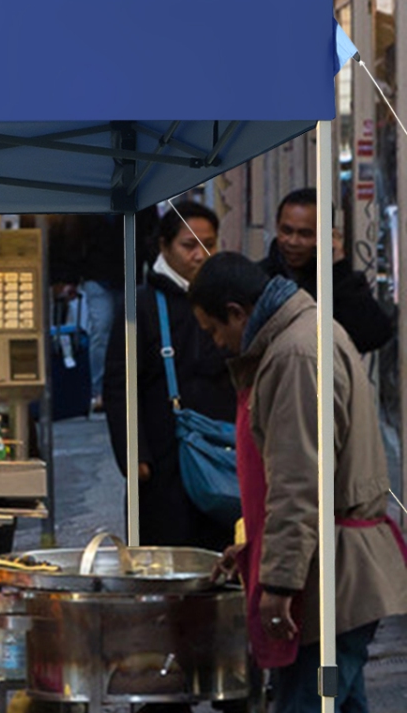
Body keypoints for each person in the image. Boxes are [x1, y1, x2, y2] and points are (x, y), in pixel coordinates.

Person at [191, 253, 407, 713]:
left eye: (215, 331)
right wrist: (253, 548)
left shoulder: (291, 355)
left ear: (237, 312)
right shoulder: (311, 332)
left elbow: (298, 481)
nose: (218, 345)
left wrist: (278, 582)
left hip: (329, 573)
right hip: (345, 558)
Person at [103, 201, 236, 551]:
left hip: (222, 456)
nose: (199, 255)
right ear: (164, 246)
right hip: (162, 462)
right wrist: (134, 453)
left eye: (208, 244)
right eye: (189, 245)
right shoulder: (140, 306)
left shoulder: (227, 301)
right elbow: (120, 385)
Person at [263, 187, 393, 355]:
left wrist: (338, 267)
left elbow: (372, 336)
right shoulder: (262, 279)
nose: (293, 241)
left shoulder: (341, 283)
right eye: (286, 231)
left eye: (305, 234)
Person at [45, 215, 123, 412]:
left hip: (119, 272)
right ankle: (101, 390)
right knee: (103, 329)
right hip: (99, 274)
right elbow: (73, 241)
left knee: (109, 331)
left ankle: (112, 388)